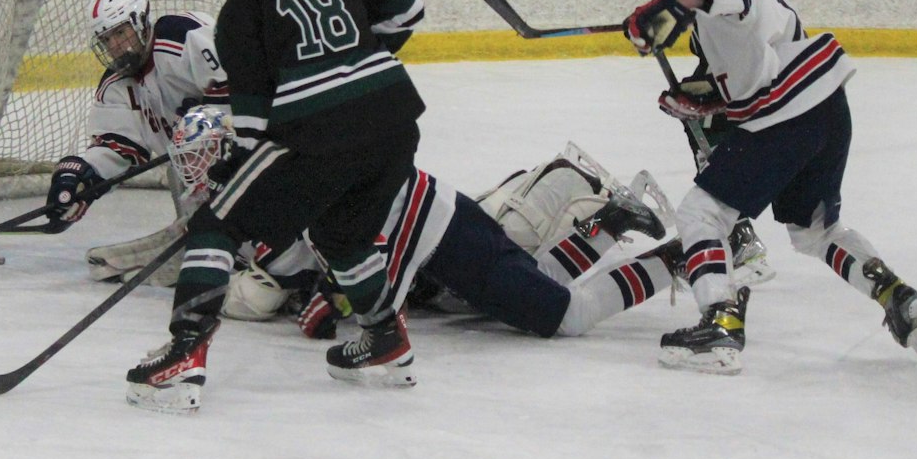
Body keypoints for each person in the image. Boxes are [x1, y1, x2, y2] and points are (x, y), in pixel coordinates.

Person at [118, 0, 427, 413]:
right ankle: (385, 340)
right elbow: (410, 13)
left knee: (216, 224)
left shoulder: (240, 9)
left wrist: (232, 174)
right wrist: (353, 57)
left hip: (322, 134)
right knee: (341, 232)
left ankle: (183, 355)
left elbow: (256, 127)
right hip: (395, 118)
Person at [622, 0, 917, 373]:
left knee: (701, 213)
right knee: (817, 230)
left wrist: (668, 12)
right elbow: (756, 66)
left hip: (787, 115)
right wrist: (708, 99)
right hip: (824, 106)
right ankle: (902, 301)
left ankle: (720, 321)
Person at [170, 107, 682, 344]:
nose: (192, 173)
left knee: (567, 315)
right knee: (536, 278)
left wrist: (333, 296)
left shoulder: (281, 184)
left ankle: (685, 255)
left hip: (438, 239)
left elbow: (348, 237)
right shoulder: (270, 183)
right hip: (432, 248)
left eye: (198, 159)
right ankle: (614, 222)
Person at [647, 0, 796, 285]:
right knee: (702, 121)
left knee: (713, 124)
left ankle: (737, 235)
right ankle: (734, 230)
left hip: (750, 44)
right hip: (732, 39)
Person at [45, 0, 227, 287]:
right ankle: (199, 239)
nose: (114, 46)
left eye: (120, 33)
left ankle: (217, 244)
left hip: (248, 149)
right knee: (183, 156)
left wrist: (212, 110)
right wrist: (80, 176)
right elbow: (118, 147)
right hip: (195, 172)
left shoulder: (181, 37)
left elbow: (242, 82)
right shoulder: (116, 86)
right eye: (106, 40)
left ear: (142, 23)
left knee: (198, 135)